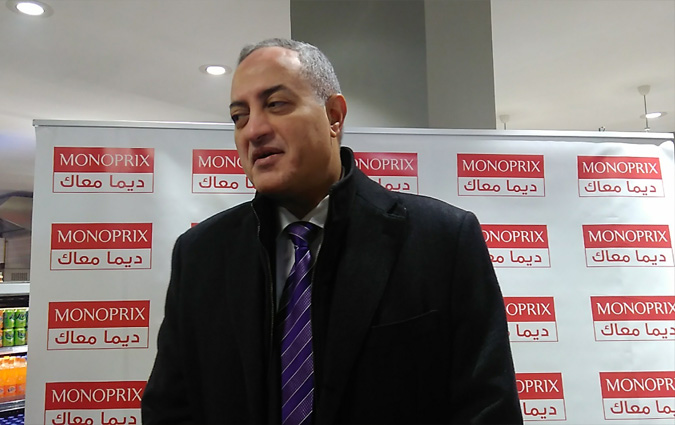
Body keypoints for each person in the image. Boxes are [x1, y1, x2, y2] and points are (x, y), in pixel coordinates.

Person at [141, 38, 522, 424]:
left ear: (334, 116)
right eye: (239, 116)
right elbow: (169, 409)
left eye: (276, 104)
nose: (253, 130)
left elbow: (488, 408)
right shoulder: (201, 255)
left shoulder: (442, 240)